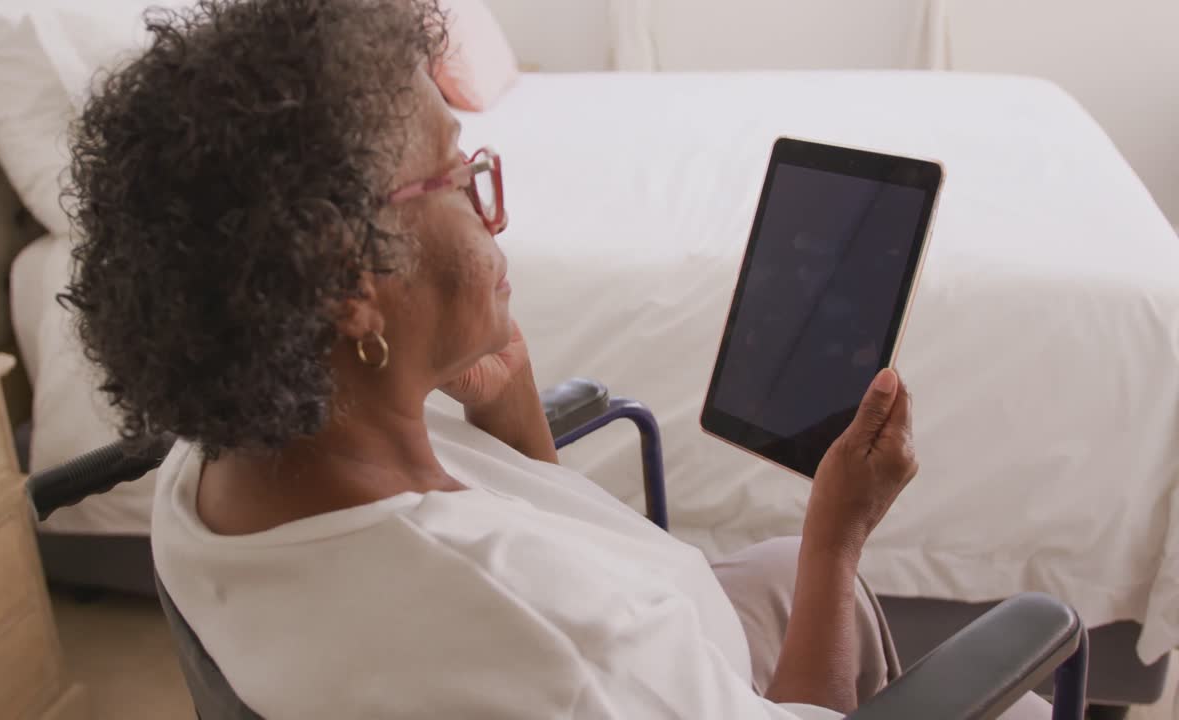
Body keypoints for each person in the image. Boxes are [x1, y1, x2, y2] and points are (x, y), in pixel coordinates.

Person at [60, 0, 1051, 717]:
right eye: (456, 176)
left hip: (665, 651)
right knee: (849, 590)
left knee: (774, 572)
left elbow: (517, 569)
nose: (495, 210)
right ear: (346, 283)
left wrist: (509, 421)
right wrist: (838, 537)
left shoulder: (213, 472)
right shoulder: (566, 650)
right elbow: (555, 629)